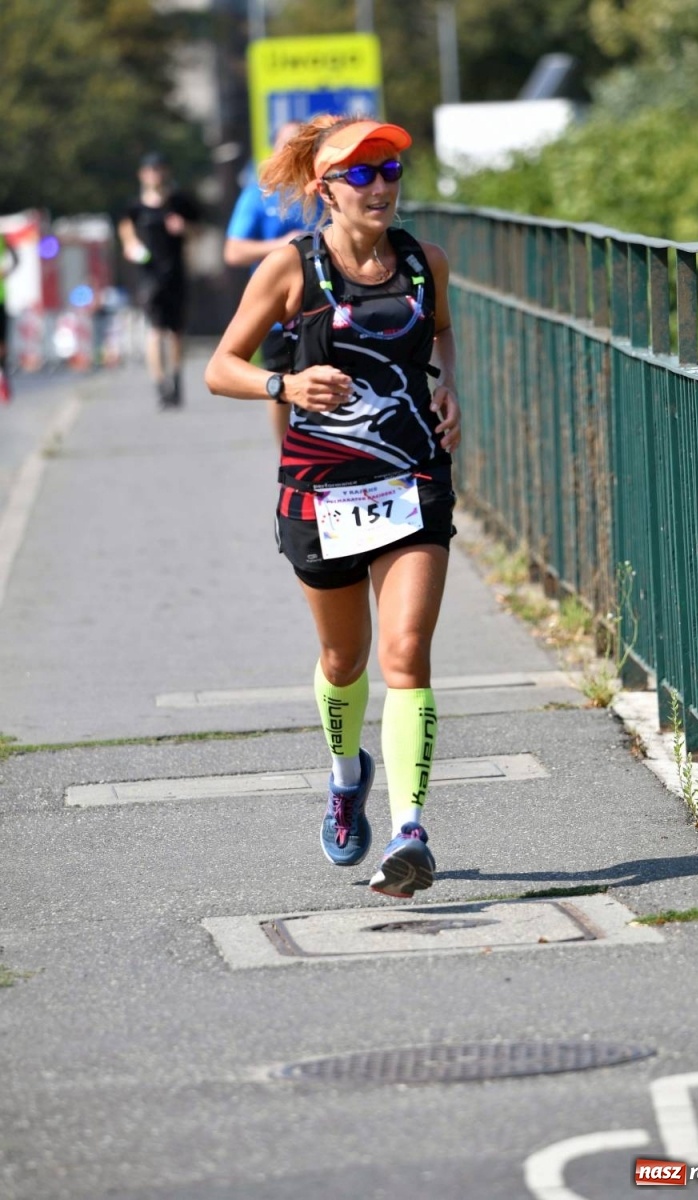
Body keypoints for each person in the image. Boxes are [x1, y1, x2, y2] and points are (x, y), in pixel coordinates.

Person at [205, 115, 462, 898]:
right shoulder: (292, 269)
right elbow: (222, 366)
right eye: (359, 174)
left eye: (388, 170)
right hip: (321, 495)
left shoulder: (425, 263)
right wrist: (283, 384)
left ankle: (410, 831)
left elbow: (444, 335)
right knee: (345, 661)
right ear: (325, 189)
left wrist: (451, 389)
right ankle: (347, 774)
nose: (379, 186)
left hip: (411, 481)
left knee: (405, 653)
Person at [223, 122, 317, 444]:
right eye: (287, 145)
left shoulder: (324, 189)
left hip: (325, 308)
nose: (294, 152)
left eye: (302, 145)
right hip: (277, 314)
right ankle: (286, 455)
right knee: (281, 389)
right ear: (276, 150)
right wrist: (281, 245)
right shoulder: (259, 193)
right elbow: (233, 251)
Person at [118, 152, 199, 409]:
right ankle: (160, 384)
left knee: (175, 332)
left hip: (175, 273)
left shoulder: (179, 203)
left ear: (166, 172)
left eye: (159, 169)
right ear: (143, 175)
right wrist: (131, 246)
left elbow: (199, 232)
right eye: (150, 170)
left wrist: (184, 228)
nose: (155, 175)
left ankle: (176, 380)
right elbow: (125, 232)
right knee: (155, 330)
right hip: (148, 278)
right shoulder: (135, 208)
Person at [0, 232, 19, 403]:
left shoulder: (2, 239)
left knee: (2, 344)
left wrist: (6, 271)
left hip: (1, 299)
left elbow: (15, 259)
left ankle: (3, 381)